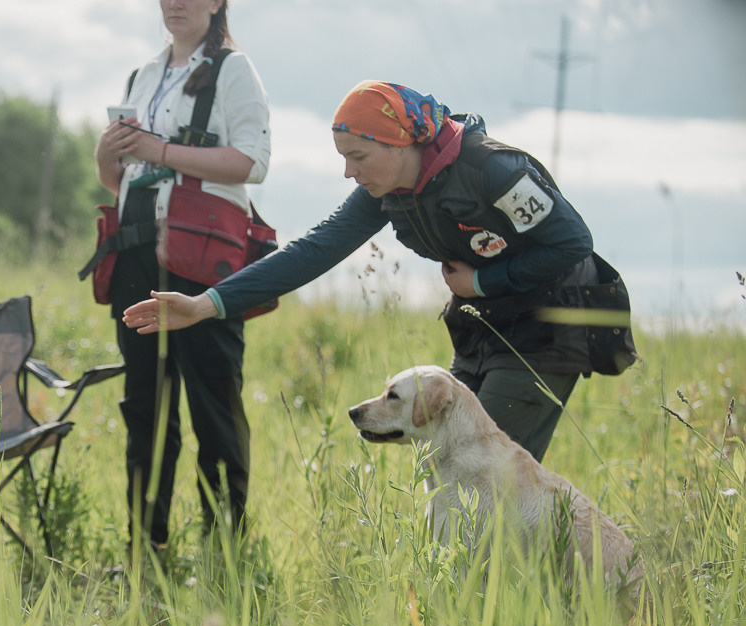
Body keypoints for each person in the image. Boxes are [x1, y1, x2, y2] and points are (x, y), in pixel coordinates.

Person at [124, 80, 615, 463]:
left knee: (491, 477)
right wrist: (205, 304)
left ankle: (542, 585)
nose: (348, 173)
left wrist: (483, 283)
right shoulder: (387, 192)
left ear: (401, 143)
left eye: (357, 157)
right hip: (482, 326)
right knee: (445, 465)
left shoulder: (493, 170)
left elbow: (574, 243)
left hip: (550, 325)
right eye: (343, 158)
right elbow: (313, 251)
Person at [92, 0, 271, 556]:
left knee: (214, 410)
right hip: (136, 253)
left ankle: (226, 556)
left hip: (202, 263)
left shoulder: (232, 69)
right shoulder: (142, 75)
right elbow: (118, 181)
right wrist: (105, 157)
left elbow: (253, 161)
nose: (176, 2)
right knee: (144, 410)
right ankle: (146, 551)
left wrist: (159, 149)